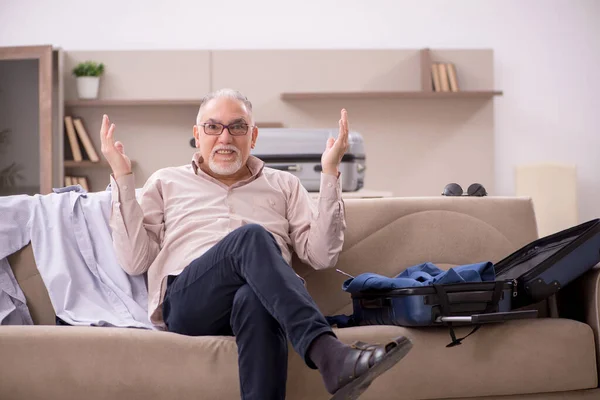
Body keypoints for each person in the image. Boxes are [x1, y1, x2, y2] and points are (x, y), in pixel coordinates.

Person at [100, 88, 412, 400]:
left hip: (262, 301)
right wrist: (122, 175)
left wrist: (330, 172)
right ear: (197, 135)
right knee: (251, 236)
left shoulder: (284, 184)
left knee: (254, 298)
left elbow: (322, 256)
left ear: (253, 136)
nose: (225, 138)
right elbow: (134, 261)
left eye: (237, 127)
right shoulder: (166, 182)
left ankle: (328, 360)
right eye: (212, 127)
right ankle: (328, 354)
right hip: (190, 302)